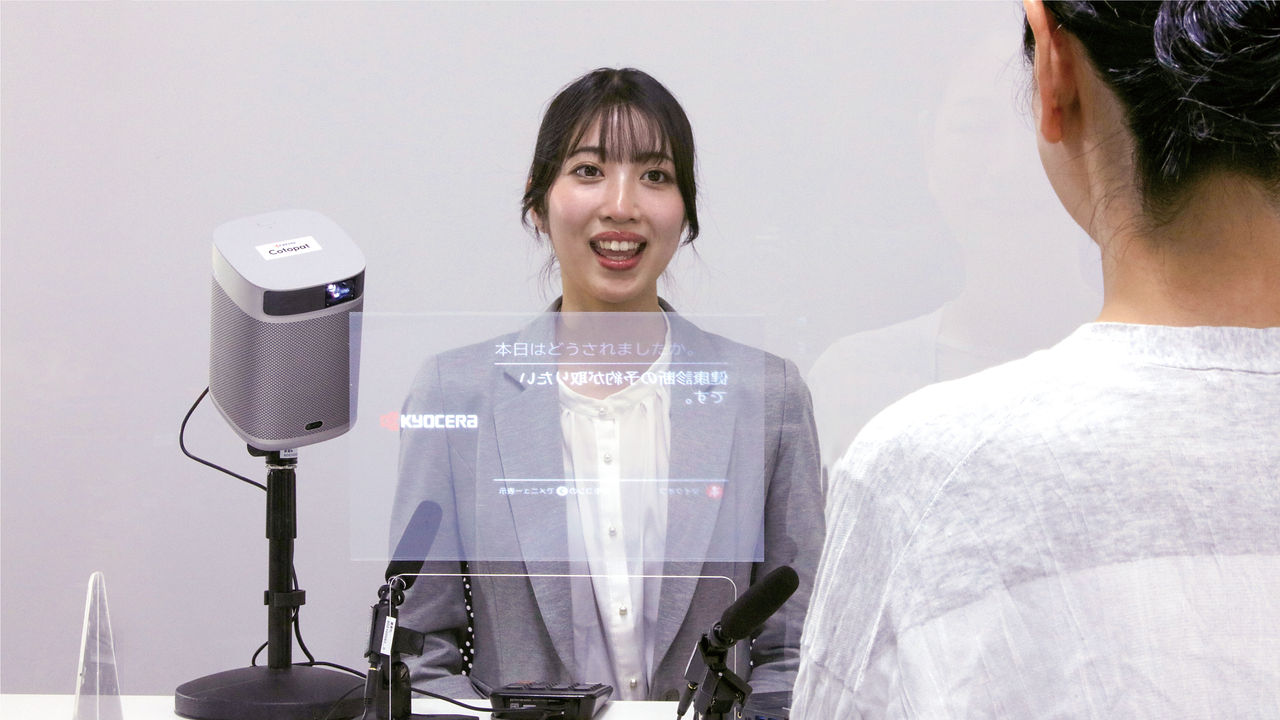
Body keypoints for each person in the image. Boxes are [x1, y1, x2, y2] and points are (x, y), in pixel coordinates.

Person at [793, 1, 1280, 717]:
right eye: (970, 130)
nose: (996, 167)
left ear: (1054, 76)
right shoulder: (868, 396)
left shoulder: (924, 475)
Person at [391, 68, 823, 713]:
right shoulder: (455, 393)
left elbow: (800, 647)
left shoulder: (767, 395)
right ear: (537, 204)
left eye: (655, 176)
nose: (622, 204)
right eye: (589, 170)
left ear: (686, 213)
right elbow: (418, 653)